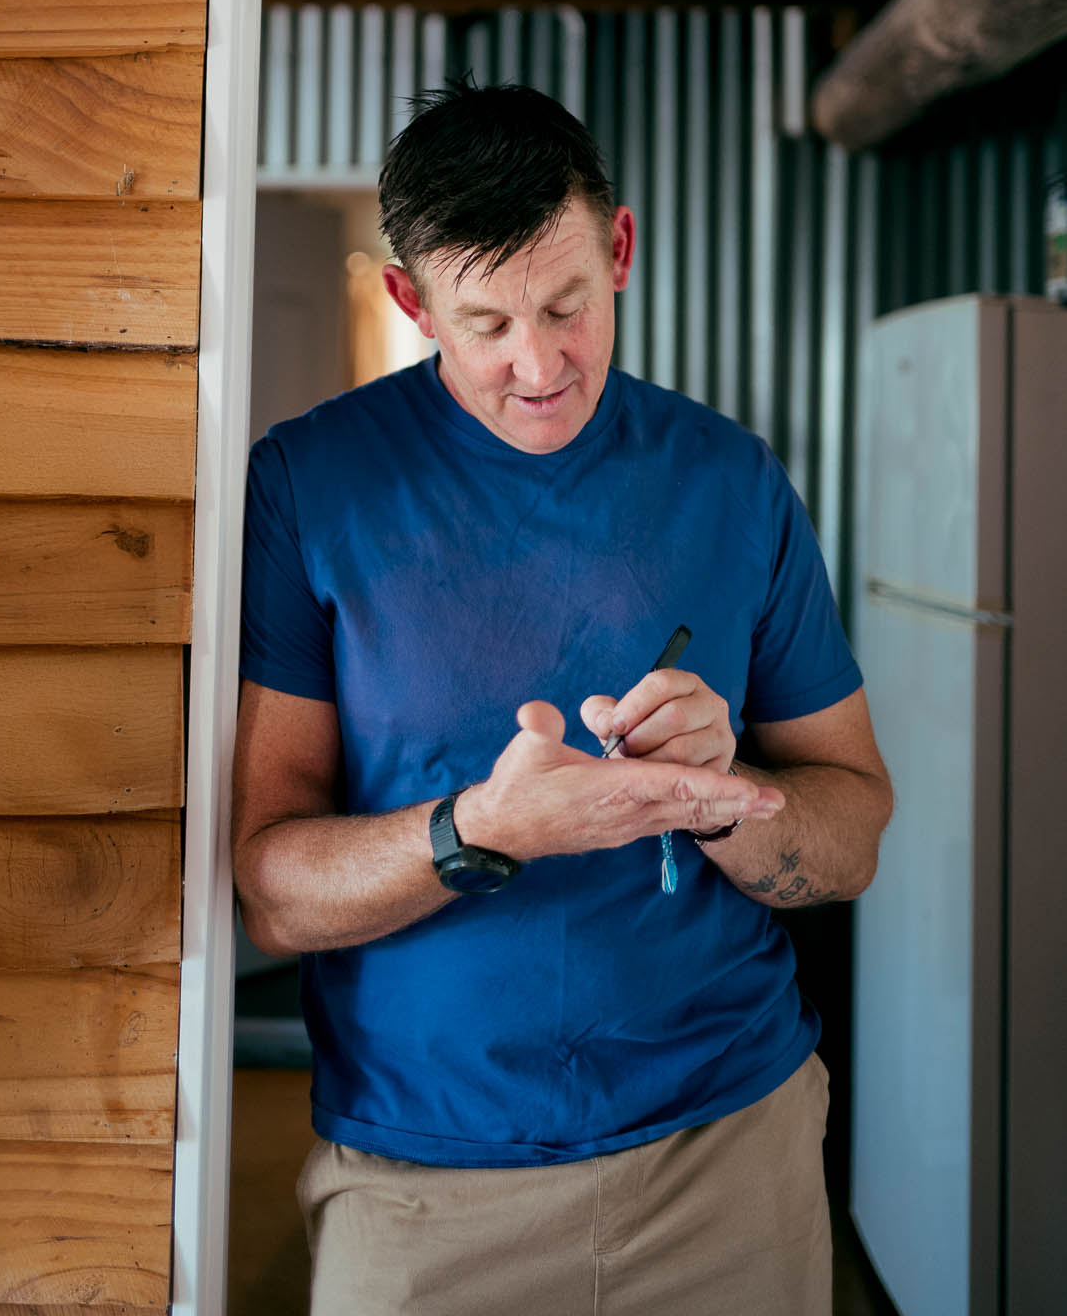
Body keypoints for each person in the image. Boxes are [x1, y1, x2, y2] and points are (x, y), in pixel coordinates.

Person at [234, 81, 892, 1316]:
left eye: (566, 304)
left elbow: (852, 831)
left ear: (622, 250)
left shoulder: (732, 479)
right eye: (482, 322)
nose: (538, 365)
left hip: (727, 1153)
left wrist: (723, 796)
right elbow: (271, 889)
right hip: (423, 1185)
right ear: (407, 301)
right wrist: (482, 831)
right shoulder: (307, 484)